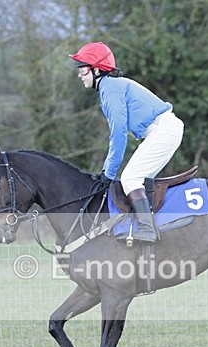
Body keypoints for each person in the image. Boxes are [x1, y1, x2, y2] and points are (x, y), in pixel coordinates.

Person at [69, 41, 184, 244]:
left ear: (97, 69)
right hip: (162, 129)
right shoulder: (109, 87)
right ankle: (147, 226)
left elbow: (119, 133)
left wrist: (108, 173)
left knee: (130, 178)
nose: (79, 74)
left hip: (163, 129)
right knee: (135, 179)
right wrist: (107, 171)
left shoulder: (110, 87)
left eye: (83, 68)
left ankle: (148, 230)